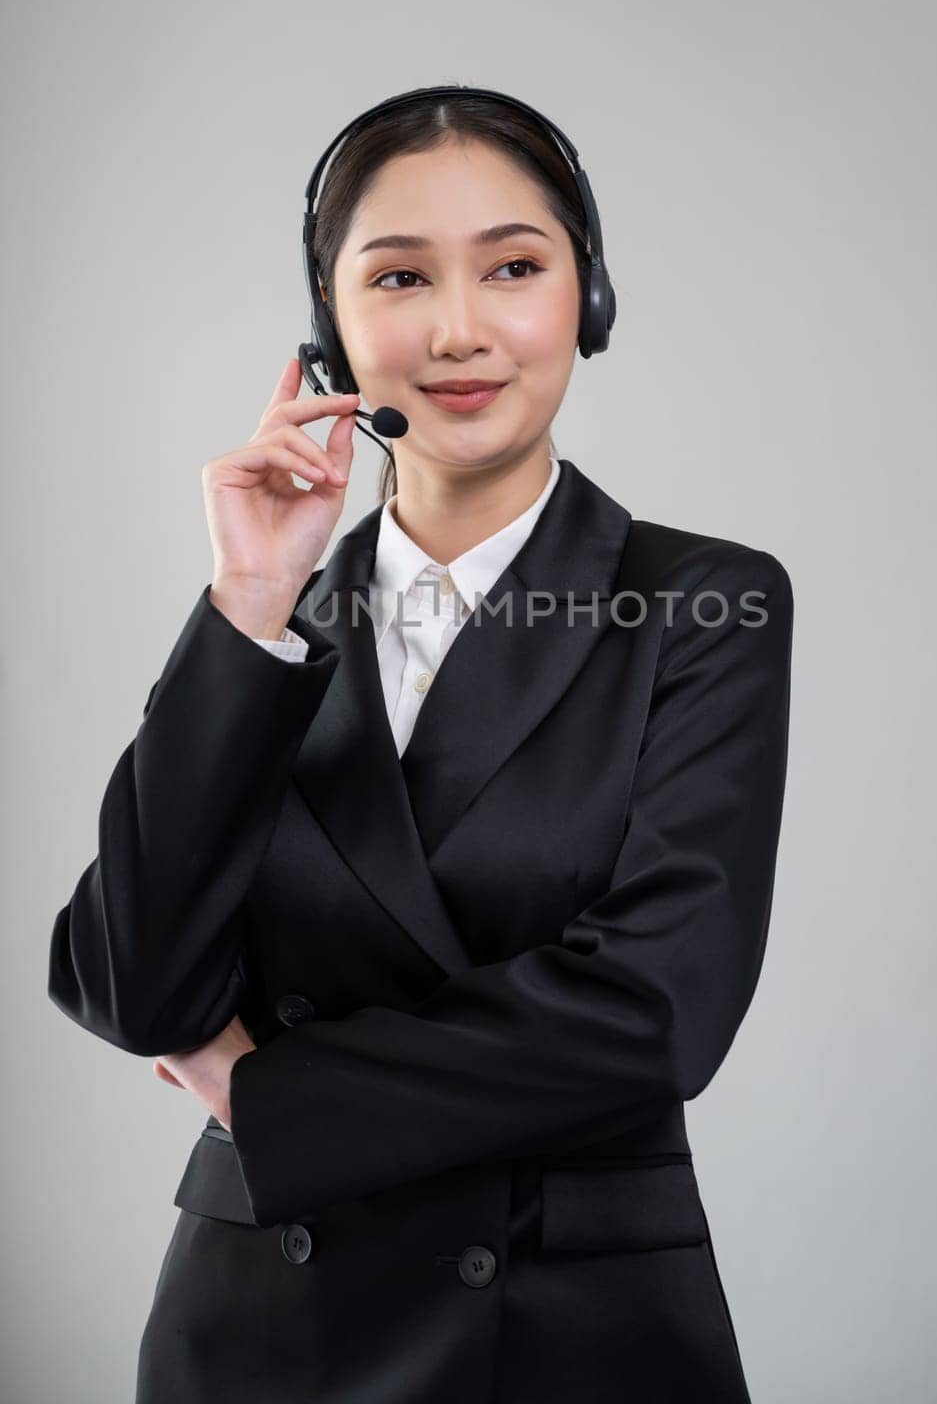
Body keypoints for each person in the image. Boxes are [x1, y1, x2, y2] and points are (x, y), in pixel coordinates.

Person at [47, 86, 794, 1403]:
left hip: (572, 1334)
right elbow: (130, 984)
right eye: (398, 277)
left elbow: (655, 1015)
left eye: (513, 266)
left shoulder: (698, 602)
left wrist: (270, 1099)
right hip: (260, 1331)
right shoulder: (270, 623)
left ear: (589, 301)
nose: (458, 329)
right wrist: (246, 606)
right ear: (330, 329)